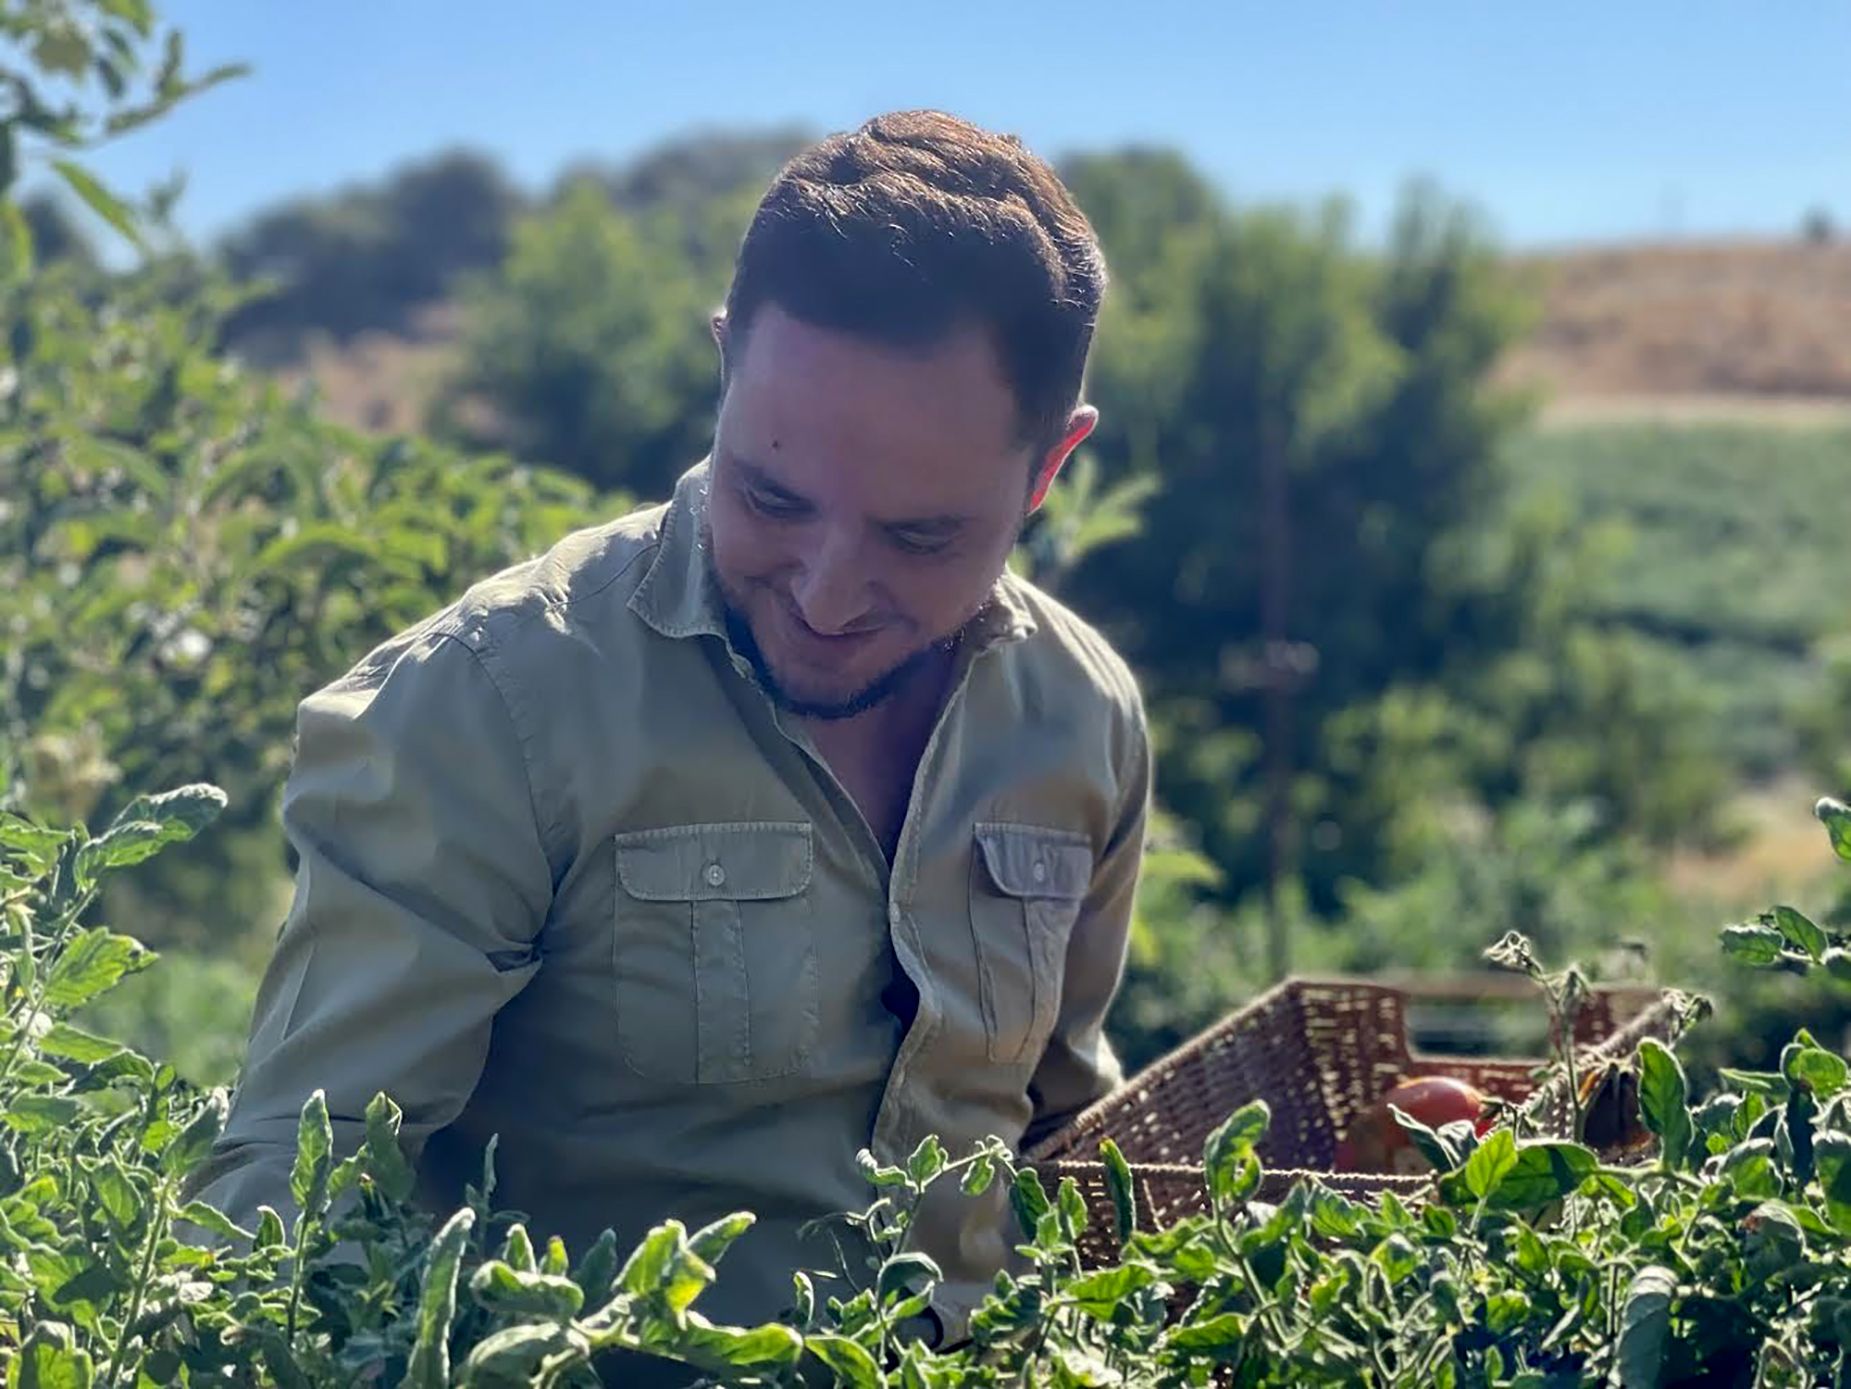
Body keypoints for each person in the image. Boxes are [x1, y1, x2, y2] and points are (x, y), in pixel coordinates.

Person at [188, 108, 1151, 1378]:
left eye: (921, 538)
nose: (824, 593)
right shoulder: (493, 700)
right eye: (772, 497)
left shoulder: (1081, 718)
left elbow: (1059, 1135)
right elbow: (295, 1191)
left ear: (1048, 474)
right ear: (724, 369)